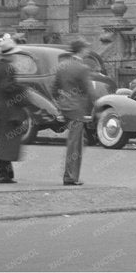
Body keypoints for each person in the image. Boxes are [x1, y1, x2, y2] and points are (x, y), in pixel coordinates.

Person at [0, 36, 27, 183]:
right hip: (7, 110)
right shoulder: (9, 69)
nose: (15, 56)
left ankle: (5, 174)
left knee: (3, 141)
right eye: (14, 54)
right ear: (9, 55)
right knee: (9, 141)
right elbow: (8, 87)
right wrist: (22, 91)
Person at [52, 39, 96, 186]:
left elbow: (54, 89)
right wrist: (94, 107)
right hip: (76, 109)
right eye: (86, 49)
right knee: (75, 144)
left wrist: (60, 103)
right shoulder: (82, 68)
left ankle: (69, 174)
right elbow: (88, 91)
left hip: (64, 106)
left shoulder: (62, 66)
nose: (88, 52)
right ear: (81, 50)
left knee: (80, 141)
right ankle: (70, 176)